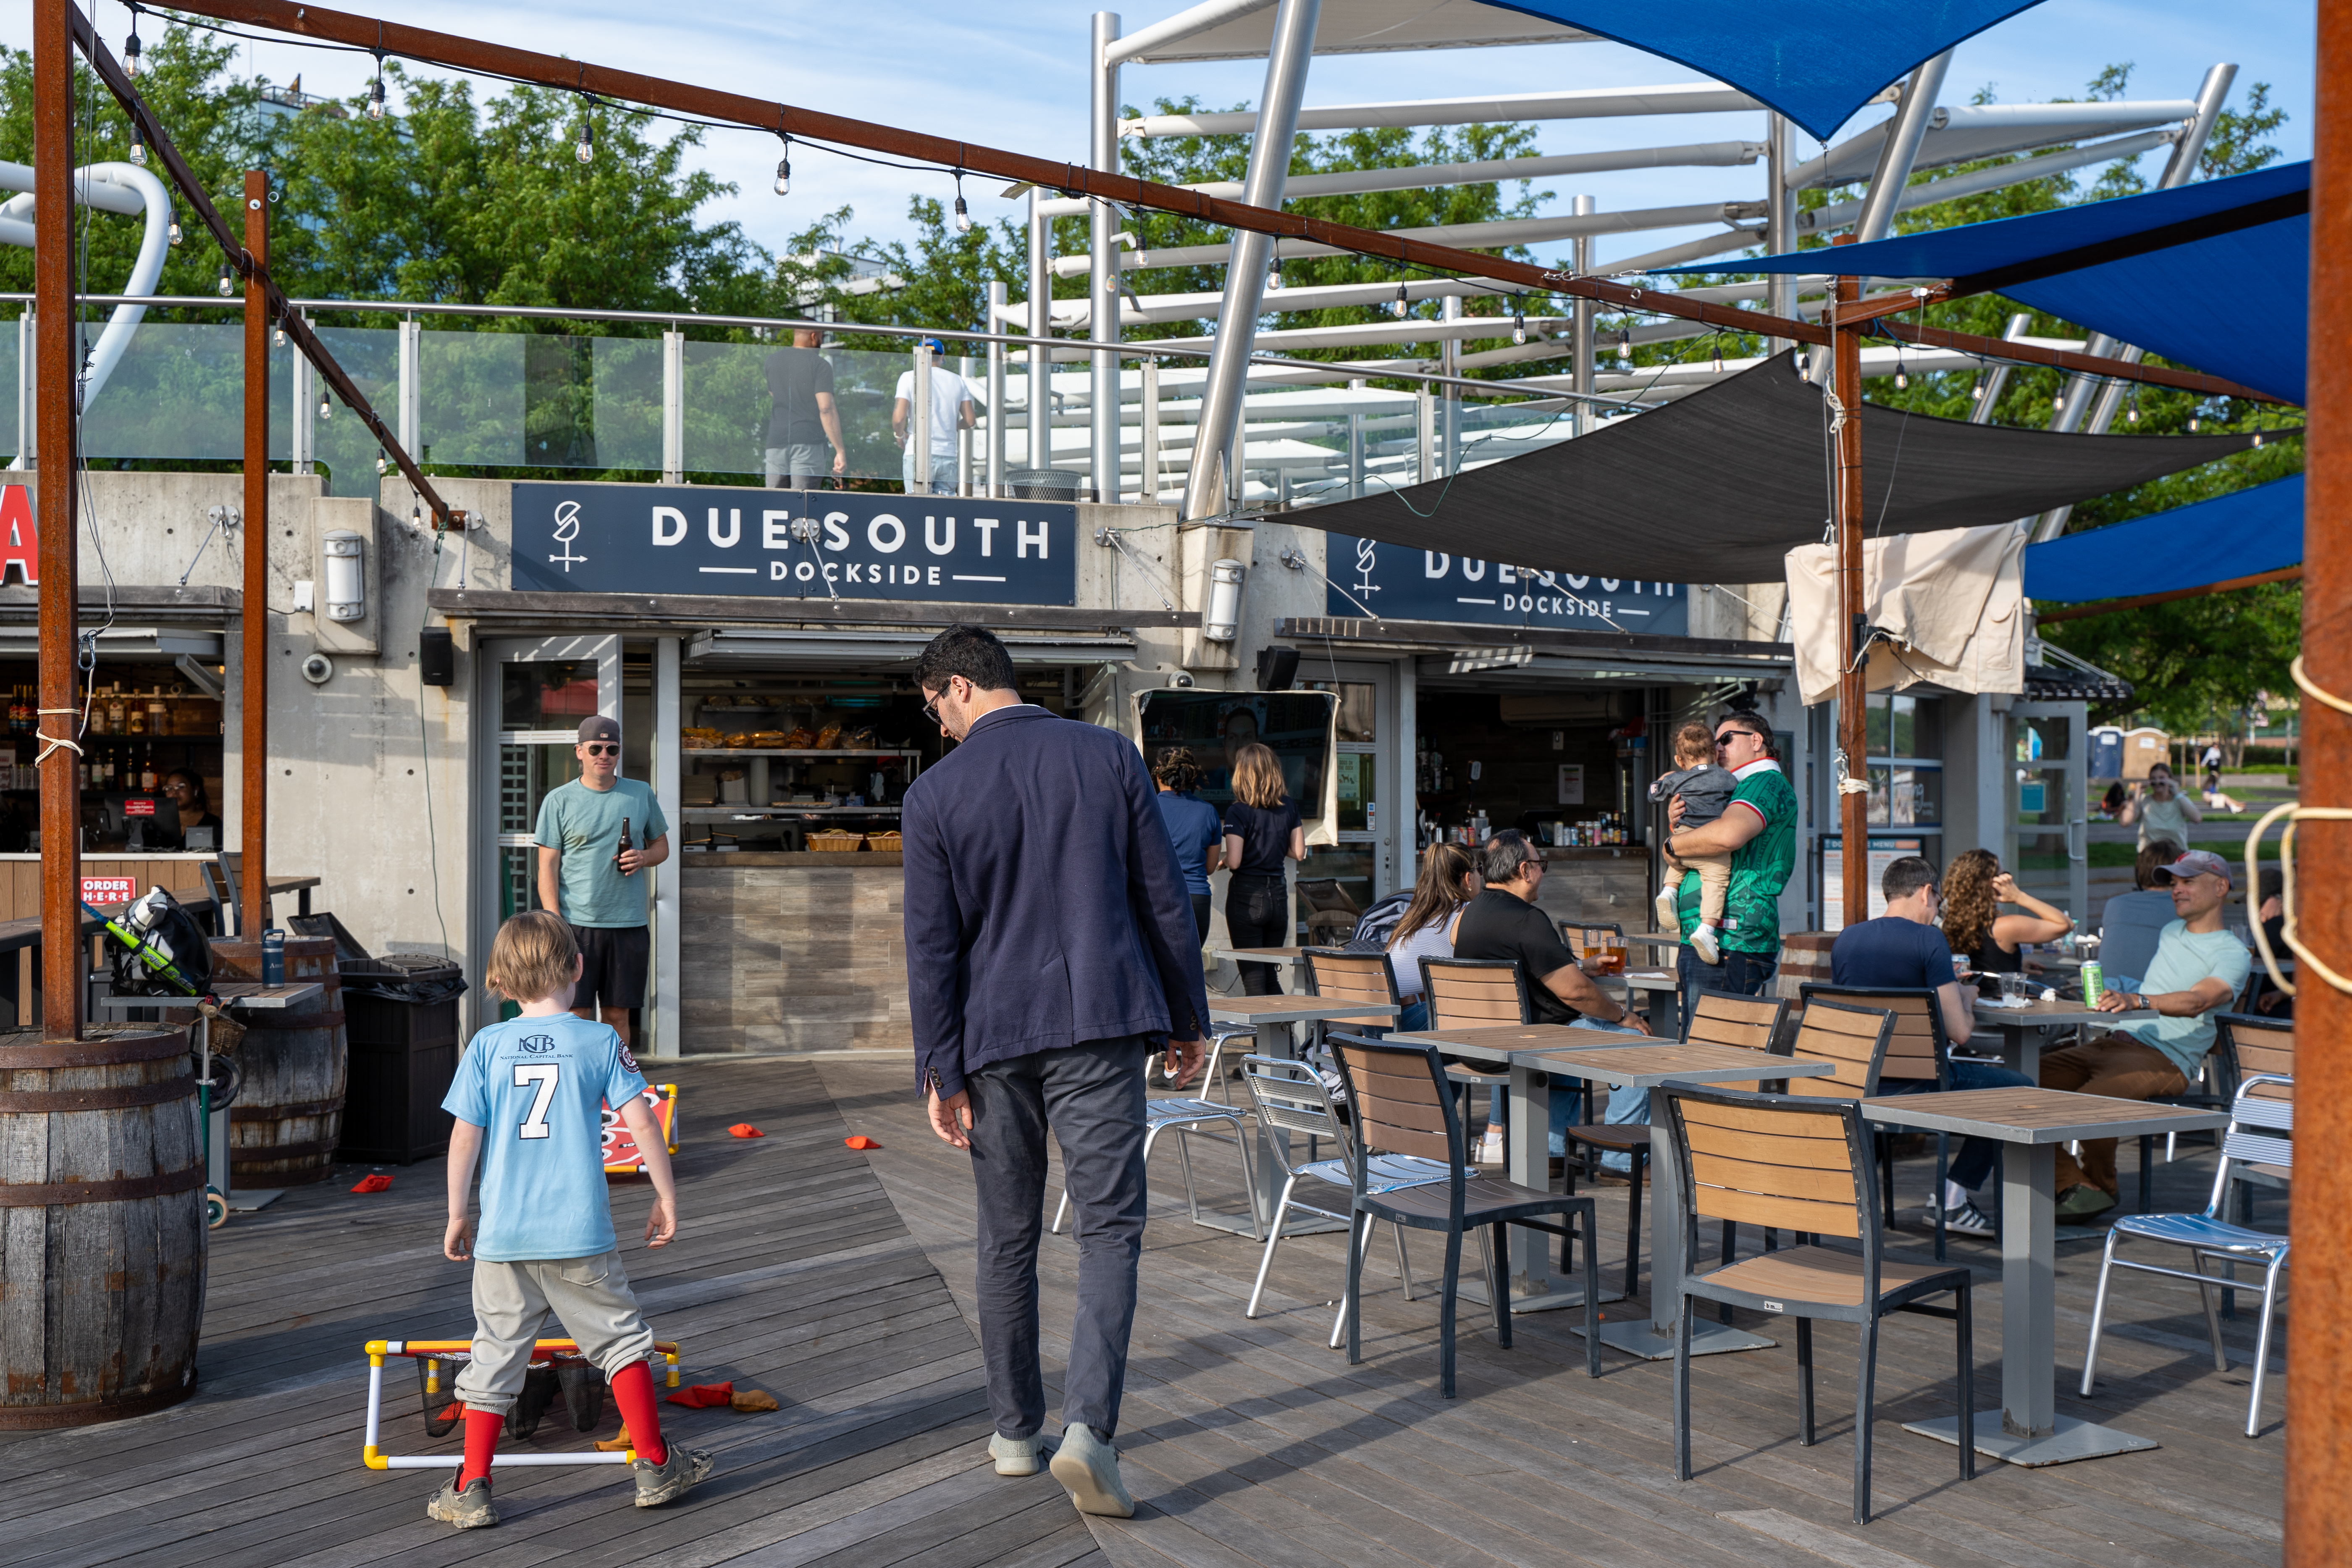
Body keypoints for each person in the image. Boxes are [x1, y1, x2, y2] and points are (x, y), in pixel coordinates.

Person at [900, 624, 1208, 1520]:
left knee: (1006, 1237)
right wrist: (1187, 1018)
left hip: (993, 1040)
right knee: (1110, 1229)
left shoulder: (934, 796)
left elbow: (932, 949)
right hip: (1102, 1023)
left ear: (959, 686)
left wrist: (940, 1069)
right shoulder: (1107, 755)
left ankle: (1011, 1434)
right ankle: (1090, 1433)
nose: (939, 730)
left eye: (935, 711)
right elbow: (1164, 899)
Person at [430, 911, 710, 1529]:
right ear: (578, 968)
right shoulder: (601, 1042)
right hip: (579, 1233)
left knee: (495, 1357)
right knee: (621, 1342)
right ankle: (656, 1465)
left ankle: (473, 1485)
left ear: (499, 980)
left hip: (503, 1237)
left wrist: (457, 1212)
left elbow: (463, 1139)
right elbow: (641, 1122)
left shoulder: (486, 1045)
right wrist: (665, 1196)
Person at [2041, 849, 2251, 1221]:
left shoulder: (2233, 952)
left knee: (2087, 1107)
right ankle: (2079, 1186)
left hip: (2166, 1058)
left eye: (2188, 881)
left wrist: (2135, 999)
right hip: (2113, 1042)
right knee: (2016, 1086)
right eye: (2174, 883)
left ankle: (2097, 1186)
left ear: (2221, 887)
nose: (2177, 890)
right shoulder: (2171, 930)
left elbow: (2197, 1001)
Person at [1830, 856, 2032, 1238]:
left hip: (1860, 1081)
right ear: (1926, 893)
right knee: (2021, 1089)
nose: (1937, 910)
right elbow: (1960, 1033)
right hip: (1918, 1085)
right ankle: (1952, 1198)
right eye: (1938, 901)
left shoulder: (1848, 938)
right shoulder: (1929, 939)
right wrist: (1967, 997)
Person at [1453, 830, 1650, 1166]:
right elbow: (1576, 992)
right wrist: (1622, 1015)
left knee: (1565, 1029)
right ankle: (1621, 1161)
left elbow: (1519, 967)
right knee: (1637, 1042)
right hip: (1524, 1043)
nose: (1542, 871)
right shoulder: (1527, 920)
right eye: (1540, 863)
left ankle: (1550, 1151)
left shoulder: (1469, 914)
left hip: (1476, 1043)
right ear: (1524, 870)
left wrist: (1580, 966)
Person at [534, 716, 670, 1048]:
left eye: (612, 748)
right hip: (576, 925)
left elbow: (661, 848)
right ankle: (581, 1086)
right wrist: (555, 921)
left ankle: (620, 1091)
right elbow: (547, 867)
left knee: (617, 1015)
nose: (603, 754)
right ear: (580, 751)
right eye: (595, 748)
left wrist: (643, 857)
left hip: (628, 923)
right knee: (576, 1012)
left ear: (619, 752)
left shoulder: (640, 794)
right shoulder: (559, 800)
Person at [1664, 712, 1799, 1011]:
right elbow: (1681, 852)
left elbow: (1727, 835)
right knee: (1700, 1044)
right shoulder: (1729, 787)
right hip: (1711, 937)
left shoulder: (1764, 782)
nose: (1718, 748)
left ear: (1756, 740)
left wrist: (1673, 843)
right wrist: (1678, 832)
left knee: (1708, 1049)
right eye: (1715, 742)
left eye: (1726, 739)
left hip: (1732, 940)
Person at [1649, 719, 1739, 965]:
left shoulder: (1677, 778)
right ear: (1714, 753)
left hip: (1683, 838)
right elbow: (1736, 794)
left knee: (1679, 862)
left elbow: (1653, 794)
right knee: (1717, 879)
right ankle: (1707, 929)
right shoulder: (1726, 778)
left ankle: (1668, 892)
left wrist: (1665, 778)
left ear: (1680, 760)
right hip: (1709, 841)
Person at [1221, 741, 1303, 995]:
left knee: (1254, 984)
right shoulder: (1289, 806)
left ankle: (1267, 1037)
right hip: (1278, 898)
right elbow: (1298, 852)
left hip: (1247, 897)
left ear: (1242, 773)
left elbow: (1235, 861)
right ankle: (1285, 1036)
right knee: (1270, 977)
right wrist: (1273, 844)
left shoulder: (1237, 811)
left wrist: (1222, 861)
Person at [1383, 841, 1481, 1037]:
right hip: (1412, 1020)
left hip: (1379, 1019)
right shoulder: (1465, 913)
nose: (1482, 877)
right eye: (1480, 871)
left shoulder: (1414, 912)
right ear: (1469, 879)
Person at [1940, 848, 2074, 978]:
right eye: (2003, 876)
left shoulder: (1949, 923)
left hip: (1972, 998)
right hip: (2003, 999)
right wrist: (2019, 897)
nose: (2009, 880)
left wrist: (2015, 963)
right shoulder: (2005, 927)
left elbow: (1981, 962)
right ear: (1991, 883)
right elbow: (2065, 925)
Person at [1151, 746, 1223, 940]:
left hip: (1157, 898)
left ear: (1158, 772)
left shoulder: (1148, 809)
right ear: (1191, 774)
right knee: (1193, 967)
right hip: (1198, 900)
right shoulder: (1209, 812)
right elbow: (1210, 868)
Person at [763, 328, 848, 489]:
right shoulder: (820, 365)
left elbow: (774, 393)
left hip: (776, 441)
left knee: (775, 504)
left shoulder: (772, 361)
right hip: (808, 442)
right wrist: (840, 450)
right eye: (821, 337)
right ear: (814, 337)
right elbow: (826, 408)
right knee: (804, 504)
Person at [892, 339, 977, 496]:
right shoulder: (957, 380)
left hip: (917, 453)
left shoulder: (909, 377)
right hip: (948, 455)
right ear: (942, 356)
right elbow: (970, 420)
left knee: (916, 509)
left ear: (918, 356)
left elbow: (899, 418)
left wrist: (899, 436)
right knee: (944, 511)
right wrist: (952, 425)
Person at [2118, 763, 2201, 853]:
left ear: (2170, 780)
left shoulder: (2179, 800)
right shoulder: (2144, 801)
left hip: (2176, 855)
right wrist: (2137, 796)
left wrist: (2178, 794)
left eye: (2162, 778)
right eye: (2153, 779)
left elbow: (2197, 819)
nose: (2157, 782)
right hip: (2149, 856)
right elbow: (2125, 822)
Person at [160, 769, 222, 851]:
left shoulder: (212, 823)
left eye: (181, 787)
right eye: (169, 788)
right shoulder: (158, 823)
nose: (174, 792)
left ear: (196, 790)